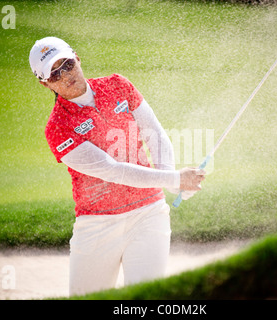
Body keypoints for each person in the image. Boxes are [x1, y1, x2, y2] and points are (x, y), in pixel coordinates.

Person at [29, 37, 206, 296]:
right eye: (54, 74)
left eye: (67, 64)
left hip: (149, 214)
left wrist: (172, 179)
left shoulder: (117, 85)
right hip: (97, 225)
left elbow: (155, 135)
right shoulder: (58, 126)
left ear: (77, 57)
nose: (65, 75)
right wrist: (175, 180)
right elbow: (112, 170)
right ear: (45, 83)